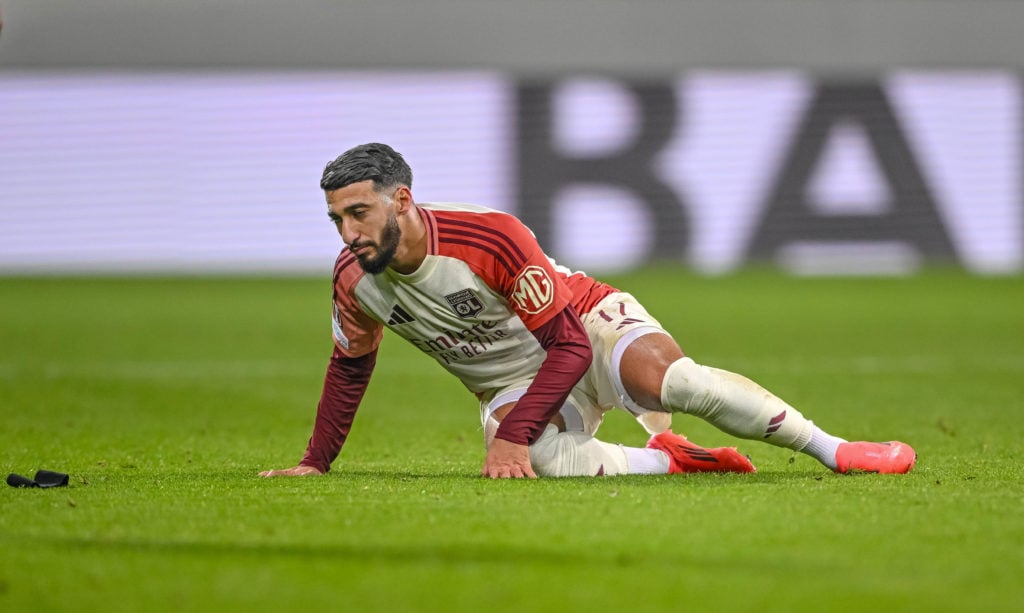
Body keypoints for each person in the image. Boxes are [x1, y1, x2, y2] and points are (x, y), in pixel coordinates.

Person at [260, 143, 916, 480]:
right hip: (511, 382)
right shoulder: (355, 281)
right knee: (539, 461)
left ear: (401, 199)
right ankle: (673, 462)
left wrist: (512, 434)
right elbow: (349, 369)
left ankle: (837, 450)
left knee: (675, 383)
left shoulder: (489, 237)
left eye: (357, 212)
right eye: (335, 219)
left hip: (587, 329)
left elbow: (571, 347)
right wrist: (316, 461)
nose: (347, 233)